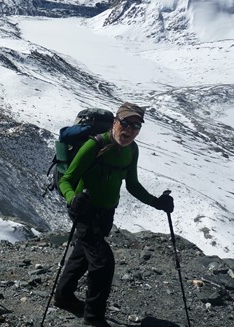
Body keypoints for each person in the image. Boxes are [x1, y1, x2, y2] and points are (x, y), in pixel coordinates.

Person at [53, 102, 174, 327]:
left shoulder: (132, 150)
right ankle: (93, 318)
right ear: (115, 122)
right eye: (125, 123)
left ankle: (63, 296)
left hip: (106, 212)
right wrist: (72, 199)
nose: (129, 130)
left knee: (83, 253)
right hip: (85, 210)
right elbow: (67, 180)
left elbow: (133, 185)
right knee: (102, 263)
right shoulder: (94, 145)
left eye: (136, 126)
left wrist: (157, 203)